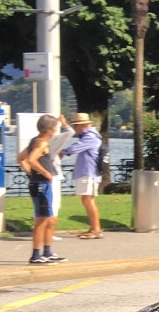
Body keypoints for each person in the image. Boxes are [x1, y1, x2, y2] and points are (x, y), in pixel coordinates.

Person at [18, 114, 68, 264]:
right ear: (51, 129)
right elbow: (31, 159)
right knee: (42, 220)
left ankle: (47, 252)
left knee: (49, 218)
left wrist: (30, 172)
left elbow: (20, 158)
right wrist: (45, 172)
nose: (55, 131)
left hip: (39, 183)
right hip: (42, 184)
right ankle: (36, 255)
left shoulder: (35, 141)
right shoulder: (42, 143)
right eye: (55, 128)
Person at [64, 113, 104, 238]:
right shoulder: (87, 136)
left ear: (83, 125)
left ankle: (96, 230)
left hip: (89, 172)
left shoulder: (90, 137)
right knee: (86, 200)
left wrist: (63, 151)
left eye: (76, 125)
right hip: (87, 172)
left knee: (88, 200)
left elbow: (75, 148)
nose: (75, 129)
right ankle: (93, 228)